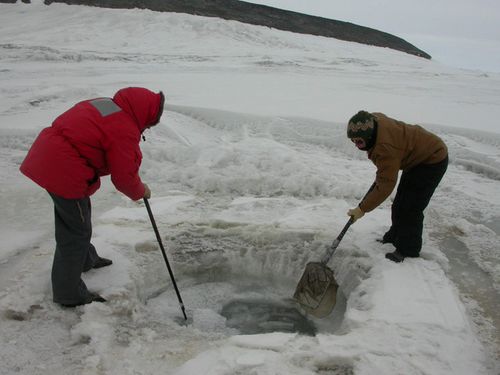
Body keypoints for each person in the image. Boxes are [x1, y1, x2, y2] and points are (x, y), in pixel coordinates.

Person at [20, 87, 165, 307]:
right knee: (75, 232)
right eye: (149, 123)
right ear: (145, 114)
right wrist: (141, 190)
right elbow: (124, 178)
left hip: (51, 156)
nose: (146, 127)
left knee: (79, 216)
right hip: (63, 168)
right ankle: (68, 292)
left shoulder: (107, 105)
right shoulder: (123, 128)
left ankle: (86, 259)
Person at [346, 110, 448, 263]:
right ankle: (394, 236)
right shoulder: (373, 122)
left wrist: (362, 209)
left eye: (359, 142)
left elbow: (386, 184)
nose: (356, 146)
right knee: (400, 202)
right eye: (353, 141)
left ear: (369, 136)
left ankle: (408, 249)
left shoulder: (385, 148)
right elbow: (385, 174)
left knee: (411, 207)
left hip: (431, 160)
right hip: (415, 157)